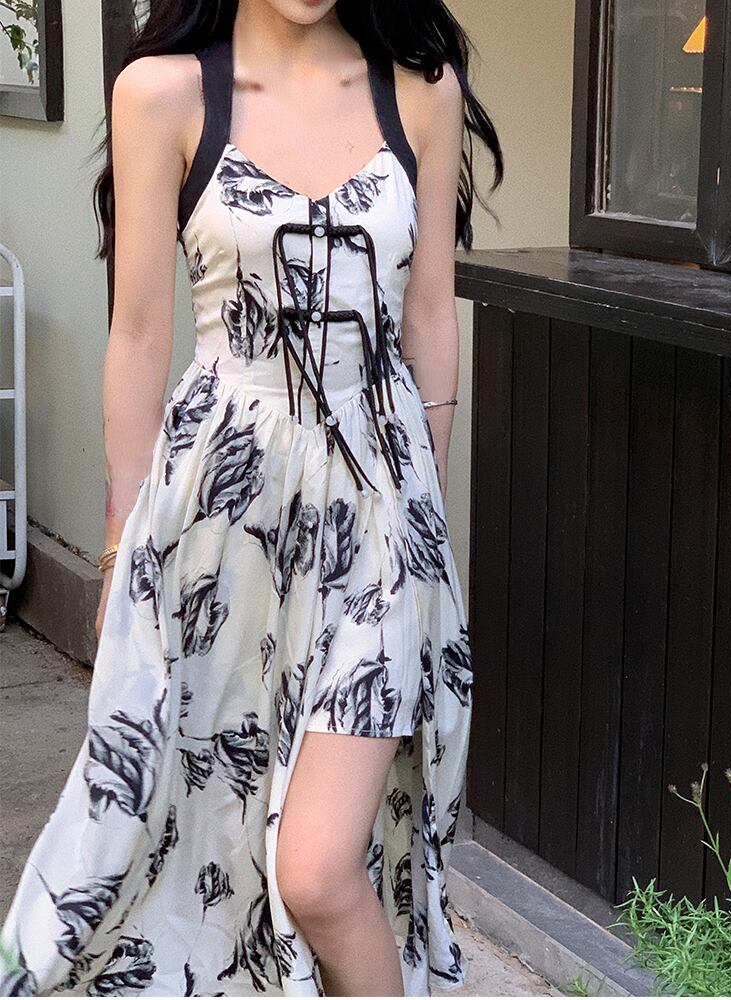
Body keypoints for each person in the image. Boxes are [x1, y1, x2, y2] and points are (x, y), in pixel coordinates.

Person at [0, 0, 503, 995]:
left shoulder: (420, 89)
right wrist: (122, 549)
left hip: (379, 519)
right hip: (219, 520)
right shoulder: (164, 94)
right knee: (208, 844)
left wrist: (424, 519)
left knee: (317, 869)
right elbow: (139, 337)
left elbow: (430, 315)